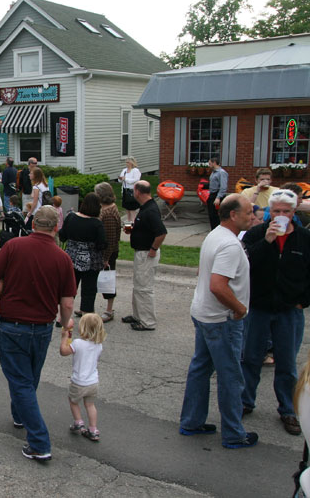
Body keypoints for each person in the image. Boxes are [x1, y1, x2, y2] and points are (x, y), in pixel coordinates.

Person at [0, 205, 77, 461]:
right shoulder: (62, 258)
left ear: (33, 225)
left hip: (12, 325)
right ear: (56, 228)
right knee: (29, 378)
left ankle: (39, 442)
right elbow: (67, 303)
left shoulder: (14, 246)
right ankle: (19, 415)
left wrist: (3, 285)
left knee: (22, 380)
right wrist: (65, 325)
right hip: (43, 327)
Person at [180, 194, 259, 448]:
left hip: (203, 313)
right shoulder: (230, 245)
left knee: (200, 369)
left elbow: (203, 272)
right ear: (233, 215)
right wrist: (240, 309)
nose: (253, 216)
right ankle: (234, 434)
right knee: (231, 376)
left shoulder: (215, 235)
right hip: (221, 319)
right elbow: (217, 285)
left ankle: (191, 422)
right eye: (248, 212)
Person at [240, 188, 310, 436]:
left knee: (287, 363)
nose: (281, 215)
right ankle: (245, 401)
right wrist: (267, 242)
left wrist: (303, 300)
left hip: (288, 310)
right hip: (259, 307)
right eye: (276, 211)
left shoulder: (303, 238)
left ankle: (288, 410)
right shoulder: (256, 234)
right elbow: (244, 264)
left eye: (286, 211)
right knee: (251, 358)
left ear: (293, 212)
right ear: (270, 211)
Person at [122, 181, 167, 331]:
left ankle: (148, 322)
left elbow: (161, 232)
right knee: (138, 285)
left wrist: (153, 249)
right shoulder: (146, 207)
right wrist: (133, 230)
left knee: (144, 288)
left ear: (137, 192)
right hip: (140, 253)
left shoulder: (151, 210)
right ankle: (138, 315)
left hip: (146, 254)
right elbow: (147, 228)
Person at [59, 313, 106, 442]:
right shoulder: (99, 345)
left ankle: (78, 422)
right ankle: (93, 429)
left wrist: (64, 337)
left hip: (79, 381)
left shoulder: (78, 343)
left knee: (73, 401)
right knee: (90, 405)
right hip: (93, 382)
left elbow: (64, 351)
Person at [59, 193, 106, 316]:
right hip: (90, 260)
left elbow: (63, 236)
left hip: (71, 257)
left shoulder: (71, 217)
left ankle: (63, 316)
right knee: (89, 289)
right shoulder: (97, 223)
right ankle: (86, 313)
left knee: (69, 288)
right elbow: (102, 243)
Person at [94, 183, 121, 322]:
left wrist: (106, 258)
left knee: (107, 281)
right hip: (103, 252)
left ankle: (109, 311)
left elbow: (111, 239)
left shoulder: (109, 213)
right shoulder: (105, 208)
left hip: (107, 253)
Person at [207, 156, 228, 230]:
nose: (209, 165)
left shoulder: (221, 173)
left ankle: (217, 230)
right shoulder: (213, 172)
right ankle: (213, 229)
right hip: (212, 194)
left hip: (217, 195)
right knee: (211, 215)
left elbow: (223, 186)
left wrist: (218, 197)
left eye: (210, 163)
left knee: (216, 215)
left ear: (214, 163)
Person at [118, 156, 141, 222]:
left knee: (132, 207)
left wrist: (125, 179)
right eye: (126, 162)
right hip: (125, 190)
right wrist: (120, 179)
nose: (127, 163)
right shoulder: (124, 170)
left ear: (131, 163)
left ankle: (133, 221)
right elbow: (121, 180)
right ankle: (128, 220)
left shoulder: (136, 171)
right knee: (126, 207)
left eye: (128, 162)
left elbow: (135, 180)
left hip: (132, 191)